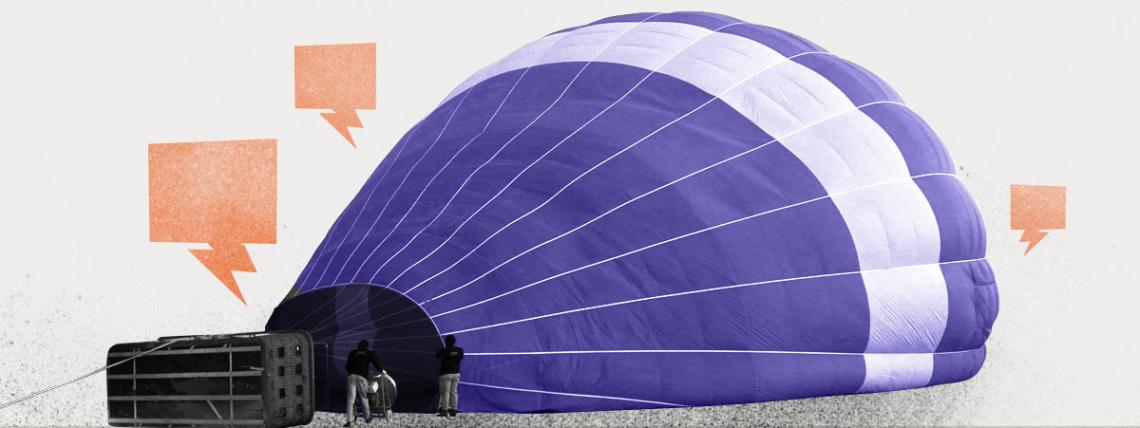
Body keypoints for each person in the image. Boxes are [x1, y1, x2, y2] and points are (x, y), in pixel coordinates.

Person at [344, 340, 383, 427]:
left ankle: (350, 421)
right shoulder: (369, 353)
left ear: (358, 345)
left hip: (351, 377)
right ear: (366, 346)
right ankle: (367, 418)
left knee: (350, 400)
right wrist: (382, 370)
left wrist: (352, 372)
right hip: (361, 377)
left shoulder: (353, 352)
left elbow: (347, 366)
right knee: (363, 398)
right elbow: (376, 363)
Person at [435, 335, 464, 417]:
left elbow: (437, 355)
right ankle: (453, 410)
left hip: (445, 374)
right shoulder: (460, 351)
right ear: (454, 342)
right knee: (454, 391)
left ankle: (444, 410)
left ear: (446, 342)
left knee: (445, 393)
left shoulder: (444, 351)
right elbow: (461, 357)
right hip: (456, 373)